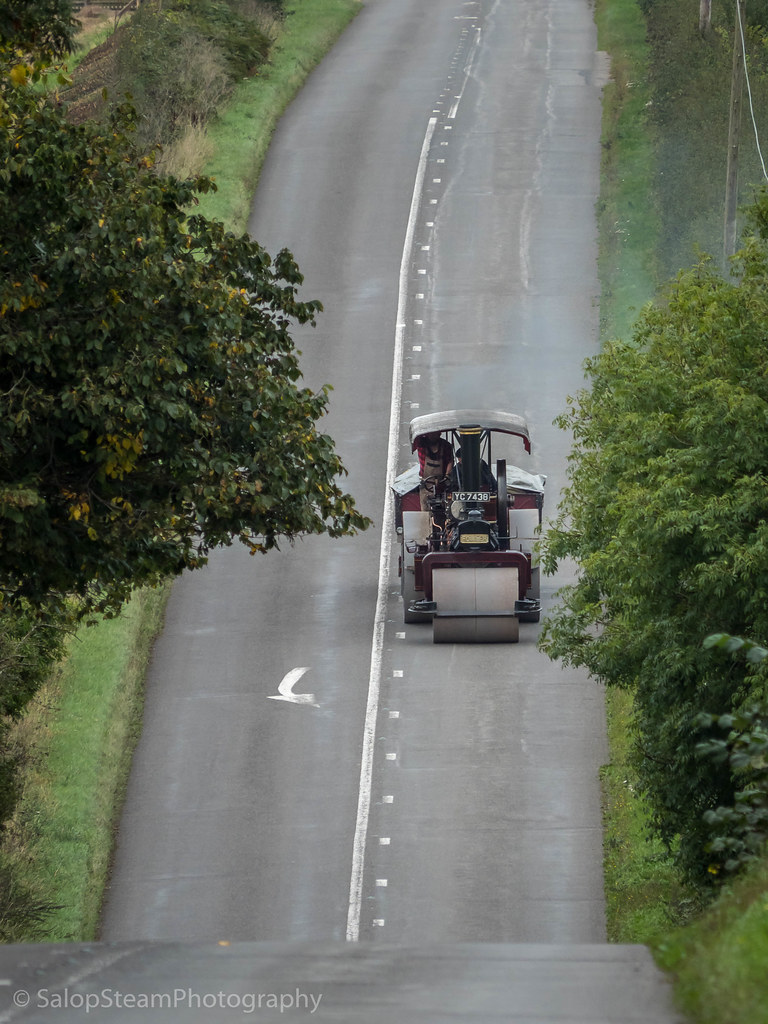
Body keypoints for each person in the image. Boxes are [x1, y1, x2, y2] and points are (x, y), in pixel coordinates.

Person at [415, 431, 454, 511]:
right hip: (426, 483)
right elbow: (416, 438)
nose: (432, 436)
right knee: (425, 507)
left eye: (435, 434)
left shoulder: (446, 446)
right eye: (430, 434)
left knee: (446, 505)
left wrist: (447, 475)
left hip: (441, 482)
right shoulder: (422, 444)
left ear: (439, 434)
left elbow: (450, 461)